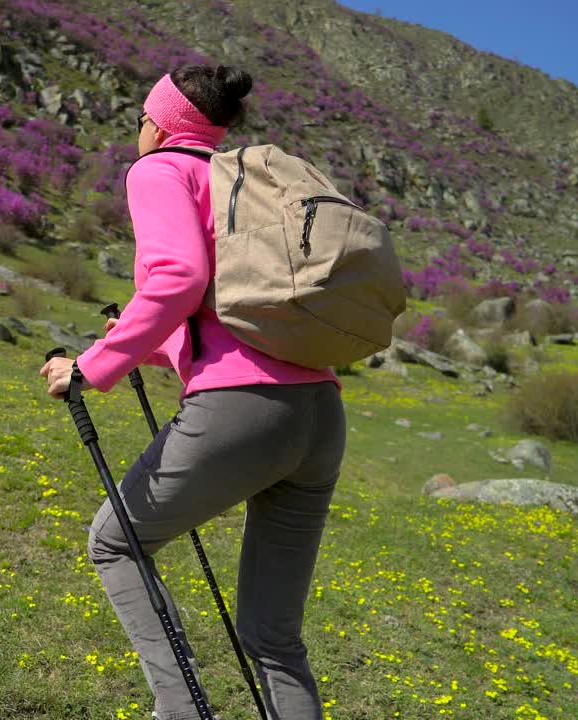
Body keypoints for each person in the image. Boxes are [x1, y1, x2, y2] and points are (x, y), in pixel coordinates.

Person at [39, 65, 345, 720]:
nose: (139, 130)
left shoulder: (160, 170)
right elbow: (225, 314)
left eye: (142, 119)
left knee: (115, 541)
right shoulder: (242, 184)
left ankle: (178, 713)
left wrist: (91, 368)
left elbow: (179, 278)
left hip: (243, 411)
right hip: (319, 414)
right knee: (272, 635)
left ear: (160, 123)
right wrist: (141, 345)